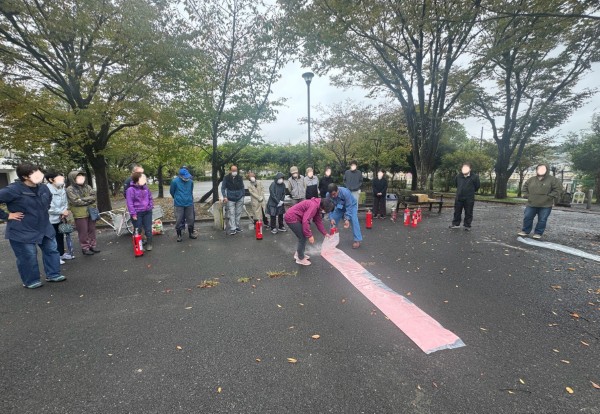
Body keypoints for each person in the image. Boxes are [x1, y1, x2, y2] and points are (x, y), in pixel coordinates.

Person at [0, 164, 66, 288]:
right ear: (25, 176)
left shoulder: (43, 188)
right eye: (35, 173)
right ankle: (31, 281)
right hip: (22, 229)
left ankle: (53, 274)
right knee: (28, 256)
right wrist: (6, 215)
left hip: (44, 226)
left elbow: (48, 201)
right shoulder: (13, 189)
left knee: (52, 250)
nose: (40, 175)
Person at [284, 198, 334, 266]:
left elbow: (318, 221)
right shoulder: (313, 206)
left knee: (303, 237)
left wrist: (325, 233)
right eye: (325, 210)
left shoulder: (317, 206)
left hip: (295, 217)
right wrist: (309, 235)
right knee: (302, 238)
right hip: (291, 217)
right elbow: (305, 221)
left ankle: (299, 254)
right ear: (323, 207)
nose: (324, 212)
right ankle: (300, 259)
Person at [518, 164, 562, 239]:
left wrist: (549, 197)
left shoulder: (553, 180)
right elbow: (524, 188)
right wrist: (527, 195)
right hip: (531, 203)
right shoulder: (531, 179)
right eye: (539, 169)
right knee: (527, 217)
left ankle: (538, 233)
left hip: (546, 204)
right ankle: (525, 231)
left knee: (542, 220)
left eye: (543, 169)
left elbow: (557, 190)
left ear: (547, 170)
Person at [66, 170, 100, 255]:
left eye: (82, 177)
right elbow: (75, 201)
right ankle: (85, 248)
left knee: (92, 230)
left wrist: (82, 199)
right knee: (83, 232)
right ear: (73, 179)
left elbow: (93, 197)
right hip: (79, 214)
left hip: (91, 211)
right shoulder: (70, 189)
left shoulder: (87, 187)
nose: (81, 179)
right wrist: (87, 201)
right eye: (78, 177)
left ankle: (92, 246)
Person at [46, 172, 72, 263]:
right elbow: (48, 207)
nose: (62, 180)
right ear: (51, 179)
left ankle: (61, 254)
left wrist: (65, 211)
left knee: (60, 236)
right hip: (50, 219)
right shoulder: (46, 190)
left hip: (60, 217)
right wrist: (61, 212)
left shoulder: (61, 188)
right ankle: (56, 257)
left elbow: (65, 202)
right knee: (52, 239)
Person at [327, 183, 362, 249]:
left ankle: (357, 240)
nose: (333, 196)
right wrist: (331, 218)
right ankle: (332, 239)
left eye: (334, 194)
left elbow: (349, 206)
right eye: (331, 195)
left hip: (351, 205)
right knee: (333, 221)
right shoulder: (328, 195)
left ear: (337, 190)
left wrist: (347, 219)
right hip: (340, 207)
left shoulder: (345, 192)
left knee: (354, 220)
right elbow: (329, 207)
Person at [126, 172, 154, 251]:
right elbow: (129, 203)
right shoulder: (130, 190)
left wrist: (150, 206)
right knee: (138, 229)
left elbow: (150, 198)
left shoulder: (146, 188)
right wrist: (133, 214)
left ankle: (149, 244)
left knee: (148, 229)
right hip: (137, 213)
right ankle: (139, 246)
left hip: (147, 212)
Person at [449, 163, 481, 231]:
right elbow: (456, 184)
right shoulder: (458, 176)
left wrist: (470, 191)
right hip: (459, 197)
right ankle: (456, 224)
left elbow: (477, 186)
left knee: (469, 212)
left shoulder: (475, 177)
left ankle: (467, 225)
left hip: (469, 198)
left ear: (470, 169)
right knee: (457, 211)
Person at [170, 167, 197, 242]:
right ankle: (179, 235)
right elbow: (172, 192)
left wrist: (189, 198)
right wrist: (177, 198)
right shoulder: (174, 182)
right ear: (180, 176)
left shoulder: (190, 182)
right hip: (179, 204)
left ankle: (191, 233)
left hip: (189, 203)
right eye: (185, 177)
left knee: (191, 219)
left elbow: (191, 191)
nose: (187, 178)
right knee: (179, 219)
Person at [221, 165, 245, 235]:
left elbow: (242, 187)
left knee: (238, 212)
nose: (235, 172)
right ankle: (233, 228)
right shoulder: (226, 178)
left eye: (236, 170)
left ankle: (237, 226)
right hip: (230, 198)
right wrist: (224, 196)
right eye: (233, 170)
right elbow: (223, 188)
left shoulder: (239, 177)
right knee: (231, 213)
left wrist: (243, 195)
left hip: (239, 197)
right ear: (230, 171)